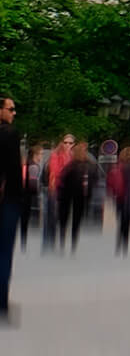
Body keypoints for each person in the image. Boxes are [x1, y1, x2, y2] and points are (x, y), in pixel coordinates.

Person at [0, 95, 23, 323]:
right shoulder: (9, 134)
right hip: (7, 201)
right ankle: (1, 304)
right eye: (11, 109)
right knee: (4, 252)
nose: (13, 113)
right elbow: (14, 172)